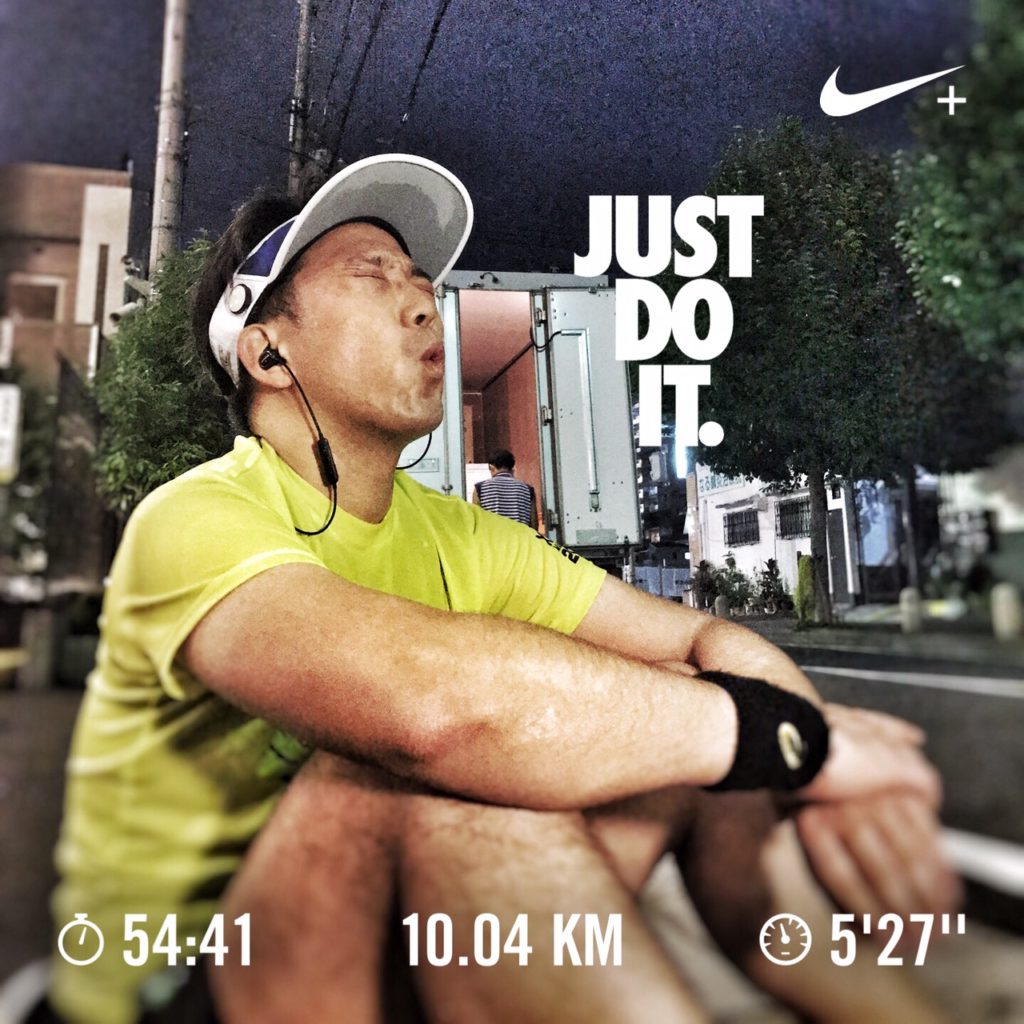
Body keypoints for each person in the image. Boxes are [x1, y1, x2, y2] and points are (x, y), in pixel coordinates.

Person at [47, 154, 957, 1024]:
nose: (422, 304)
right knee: (417, 772)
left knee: (672, 721)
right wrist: (793, 740)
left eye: (420, 279)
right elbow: (429, 710)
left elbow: (696, 641)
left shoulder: (463, 532)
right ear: (268, 353)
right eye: (372, 276)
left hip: (389, 953)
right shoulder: (193, 519)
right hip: (186, 986)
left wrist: (803, 757)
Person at [472, 448, 538, 528]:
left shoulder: (480, 489)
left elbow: (476, 521)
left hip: (493, 535)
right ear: (512, 468)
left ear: (491, 467)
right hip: (520, 535)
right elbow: (534, 524)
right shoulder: (528, 489)